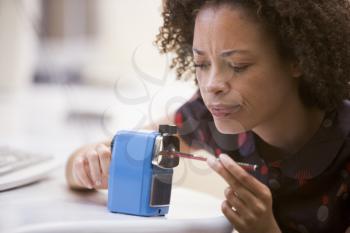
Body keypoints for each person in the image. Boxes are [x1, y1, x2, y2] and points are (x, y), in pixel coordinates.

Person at [66, 0, 350, 232]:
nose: (212, 84)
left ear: (297, 58)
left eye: (238, 66)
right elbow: (101, 155)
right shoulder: (205, 115)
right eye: (201, 63)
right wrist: (90, 164)